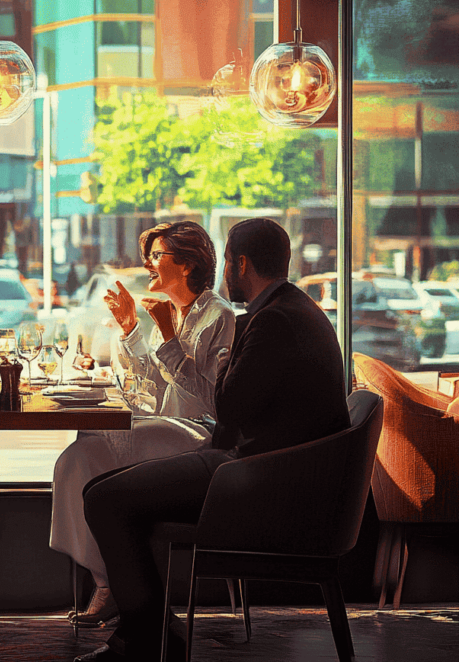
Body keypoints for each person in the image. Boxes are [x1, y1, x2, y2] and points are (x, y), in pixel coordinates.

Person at [74, 218, 350, 662]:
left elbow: (226, 406)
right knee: (111, 489)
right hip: (263, 469)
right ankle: (155, 633)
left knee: (104, 498)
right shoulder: (288, 310)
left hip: (259, 478)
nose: (221, 273)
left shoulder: (271, 321)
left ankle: (147, 642)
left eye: (225, 261)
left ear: (240, 263)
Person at [50, 221, 235, 627]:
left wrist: (168, 339)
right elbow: (146, 389)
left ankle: (119, 589)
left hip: (200, 440)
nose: (147, 264)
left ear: (186, 264)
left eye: (156, 256)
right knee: (76, 459)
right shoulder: (166, 313)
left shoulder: (220, 317)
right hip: (162, 428)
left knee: (99, 439)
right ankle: (107, 581)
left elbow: (214, 400)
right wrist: (131, 328)